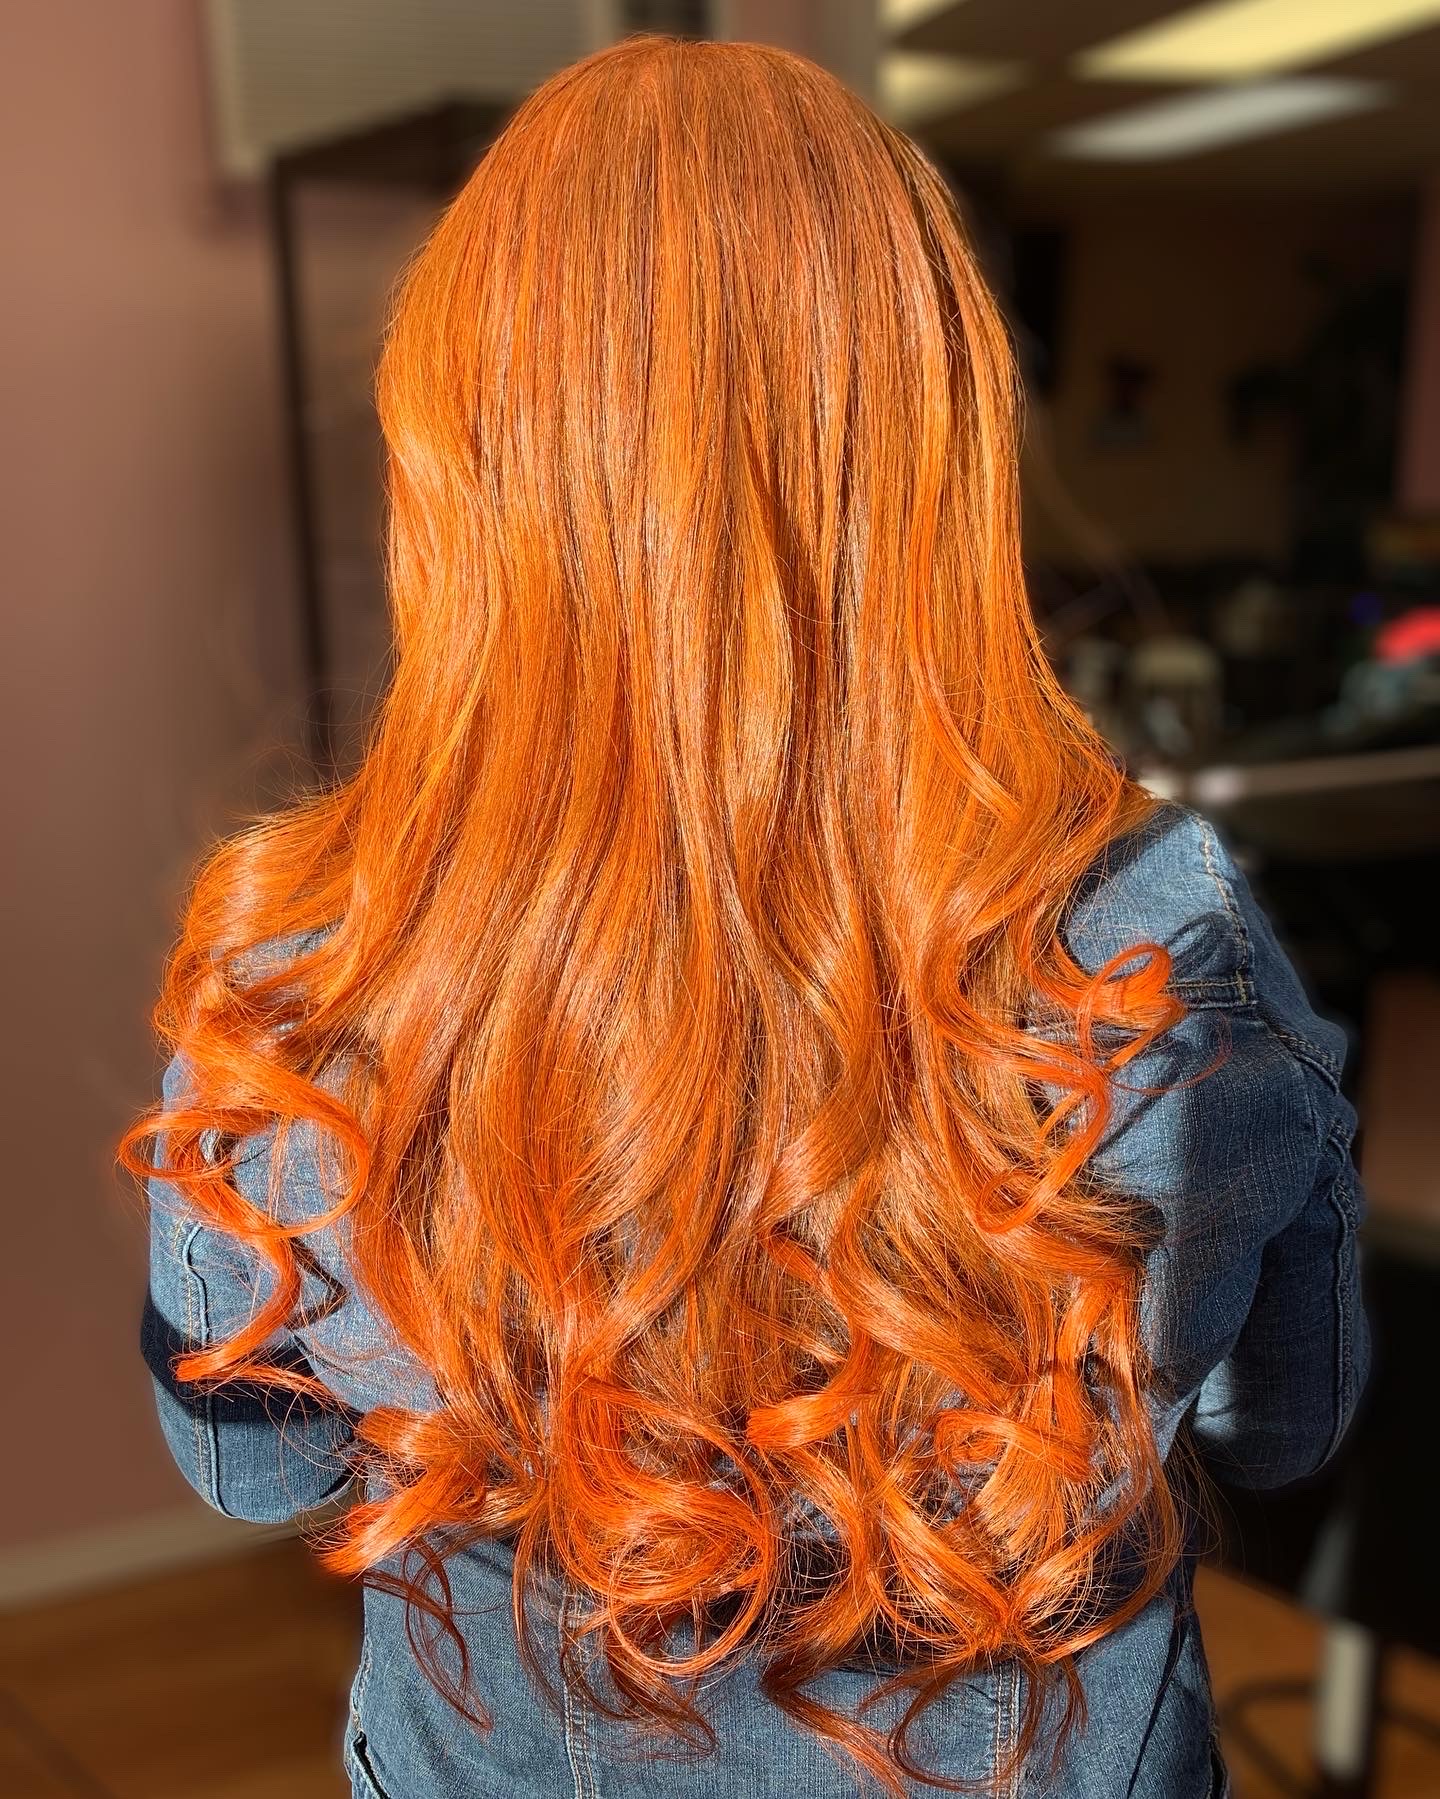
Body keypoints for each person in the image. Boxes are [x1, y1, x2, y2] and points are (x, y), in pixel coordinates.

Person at [122, 35, 1369, 1799]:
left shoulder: (299, 958)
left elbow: (252, 1468)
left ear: (460, 459)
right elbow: (1284, 1418)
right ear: (935, 444)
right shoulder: (1153, 929)